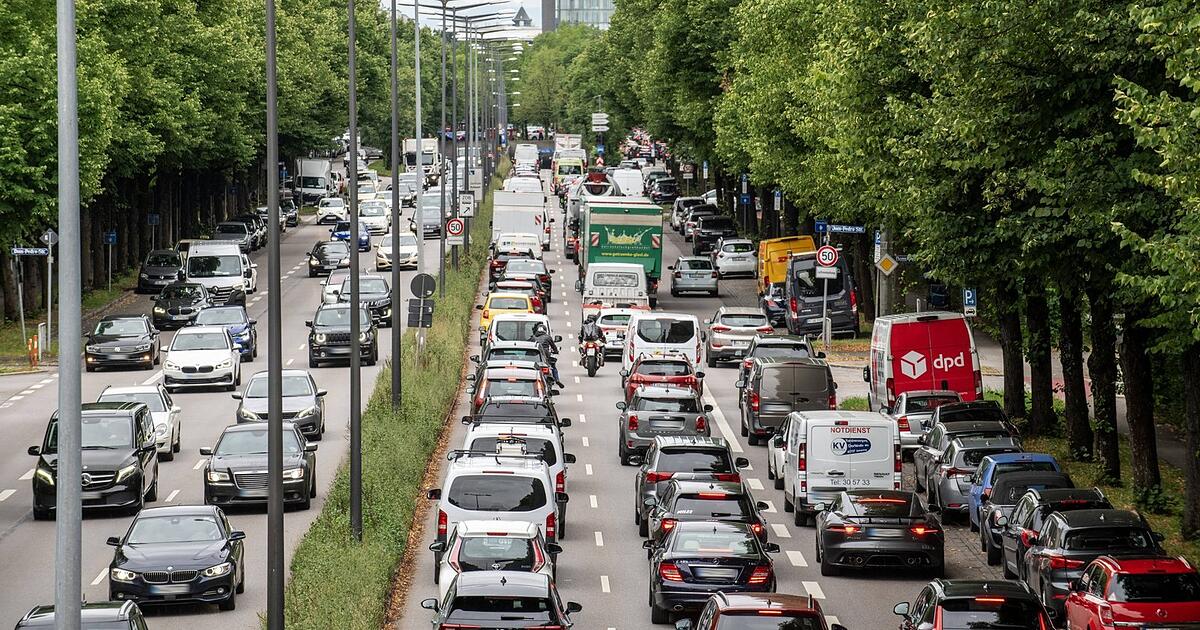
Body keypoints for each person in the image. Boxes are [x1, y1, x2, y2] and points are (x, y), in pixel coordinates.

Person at [531, 323, 564, 388]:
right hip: (546, 356)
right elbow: (553, 346)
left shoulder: (533, 338)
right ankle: (557, 380)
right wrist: (556, 351)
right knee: (553, 366)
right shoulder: (548, 337)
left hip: (535, 357)